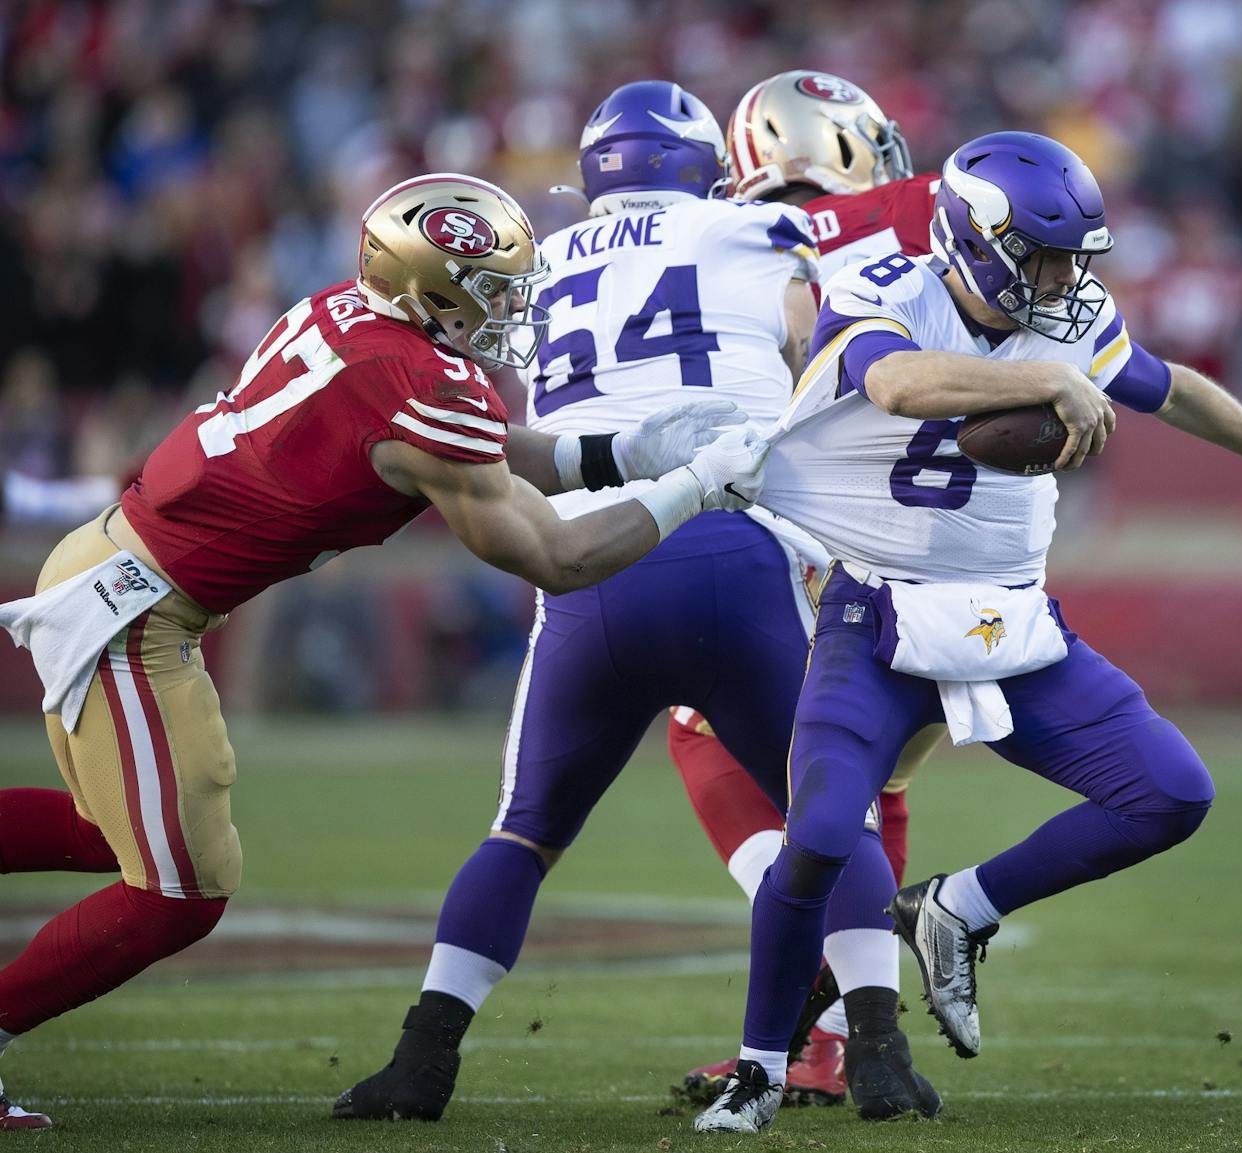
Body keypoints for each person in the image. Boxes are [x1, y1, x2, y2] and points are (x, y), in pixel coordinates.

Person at [0, 172, 763, 1131]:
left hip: (118, 570)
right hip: (134, 615)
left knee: (112, 830)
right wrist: (695, 483)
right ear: (430, 287)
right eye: (493, 287)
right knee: (181, 891)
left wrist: (623, 455)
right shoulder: (417, 386)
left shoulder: (349, 318)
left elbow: (477, 449)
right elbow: (558, 556)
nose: (512, 306)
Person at [692, 131, 1242, 1134]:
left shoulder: (1070, 313)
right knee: (823, 833)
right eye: (1041, 256)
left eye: (1069, 258)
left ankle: (955, 907)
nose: (1060, 278)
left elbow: (1166, 384)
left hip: (1006, 614)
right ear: (971, 241)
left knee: (1170, 791)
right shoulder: (881, 284)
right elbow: (894, 384)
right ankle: (758, 1065)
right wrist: (1043, 383)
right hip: (870, 609)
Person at [335, 81, 939, 1127]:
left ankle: (420, 1060)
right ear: (702, 164)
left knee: (521, 833)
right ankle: (874, 1051)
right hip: (729, 553)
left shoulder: (546, 257)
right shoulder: (750, 227)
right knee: (822, 814)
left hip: (582, 563)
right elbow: (871, 259)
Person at [674, 69, 942, 1109]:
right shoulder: (904, 237)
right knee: (871, 779)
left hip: (818, 534)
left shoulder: (748, 251)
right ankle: (836, 1026)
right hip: (926, 546)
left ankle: (831, 986)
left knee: (711, 731)